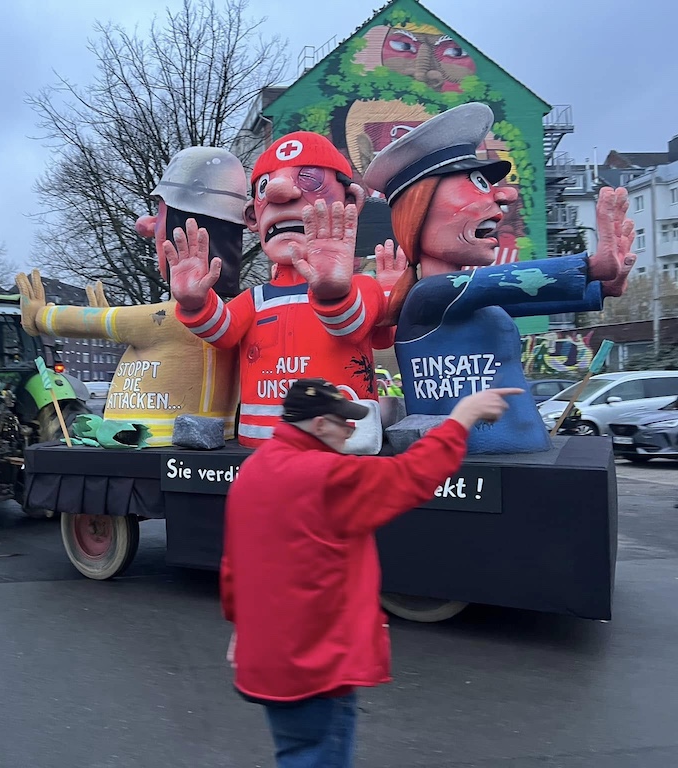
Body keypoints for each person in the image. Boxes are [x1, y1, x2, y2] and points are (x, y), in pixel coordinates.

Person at [221, 377, 522, 767]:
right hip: (316, 666)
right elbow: (409, 476)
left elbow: (234, 566)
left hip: (269, 658)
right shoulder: (326, 475)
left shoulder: (254, 470)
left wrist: (241, 627)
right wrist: (461, 418)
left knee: (296, 752)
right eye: (344, 421)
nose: (351, 430)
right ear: (319, 425)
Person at [363, 102, 636, 453]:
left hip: (513, 457)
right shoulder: (429, 295)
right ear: (418, 212)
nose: (503, 196)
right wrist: (591, 267)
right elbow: (513, 281)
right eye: (476, 184)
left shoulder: (473, 298)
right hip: (470, 468)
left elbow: (522, 292)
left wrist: (603, 286)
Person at [166, 131, 404, 449]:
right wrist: (196, 302)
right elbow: (222, 332)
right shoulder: (255, 299)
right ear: (253, 215)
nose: (280, 192)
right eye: (265, 187)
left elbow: (351, 326)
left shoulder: (363, 288)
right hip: (260, 449)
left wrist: (334, 291)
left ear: (350, 202)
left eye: (309, 179)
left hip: (337, 448)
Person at [15, 146, 245, 446]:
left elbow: (98, 323)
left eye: (160, 216)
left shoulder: (171, 319)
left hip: (148, 446)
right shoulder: (232, 317)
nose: (147, 226)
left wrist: (39, 317)